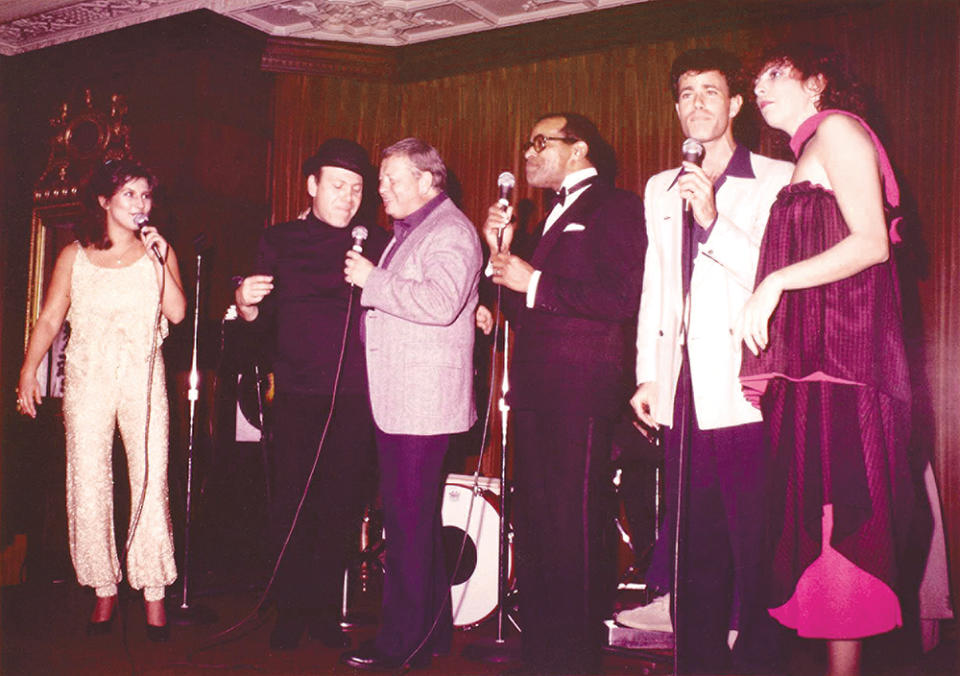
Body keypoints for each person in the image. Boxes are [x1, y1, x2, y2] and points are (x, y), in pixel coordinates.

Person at [739, 44, 913, 676]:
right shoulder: (804, 153)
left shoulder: (837, 128)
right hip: (817, 363)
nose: (760, 89)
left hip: (843, 360)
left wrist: (774, 283)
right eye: (755, 82)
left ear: (818, 83)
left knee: (843, 516)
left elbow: (871, 244)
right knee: (822, 521)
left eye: (774, 76)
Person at [621, 48, 794, 674]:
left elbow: (778, 279)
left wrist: (714, 219)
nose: (697, 104)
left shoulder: (778, 179)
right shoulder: (658, 187)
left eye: (710, 92)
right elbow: (657, 283)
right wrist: (649, 371)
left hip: (744, 386)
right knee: (692, 545)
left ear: (736, 105)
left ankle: (759, 660)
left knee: (755, 542)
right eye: (686, 93)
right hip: (682, 386)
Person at [481, 113, 645, 674]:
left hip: (581, 391)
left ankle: (574, 658)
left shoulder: (616, 207)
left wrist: (537, 282)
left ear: (578, 150)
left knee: (573, 526)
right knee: (535, 524)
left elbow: (623, 296)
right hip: (534, 393)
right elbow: (515, 308)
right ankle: (542, 651)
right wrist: (498, 253)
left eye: (540, 142)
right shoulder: (547, 217)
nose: (528, 152)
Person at [17, 159, 186, 641]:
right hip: (89, 376)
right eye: (129, 194)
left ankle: (154, 590)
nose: (139, 204)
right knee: (88, 479)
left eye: (145, 195)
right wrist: (28, 370)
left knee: (150, 478)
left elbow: (175, 312)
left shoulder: (160, 250)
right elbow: (50, 318)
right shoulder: (75, 255)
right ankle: (102, 586)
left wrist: (158, 258)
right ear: (103, 201)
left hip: (143, 375)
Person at [233, 139, 388, 651]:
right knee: (291, 506)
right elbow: (260, 329)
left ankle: (323, 610)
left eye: (357, 188)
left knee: (339, 506)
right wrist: (248, 307)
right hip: (297, 393)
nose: (348, 198)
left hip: (355, 396)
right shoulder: (279, 240)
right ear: (312, 185)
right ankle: (289, 609)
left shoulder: (378, 244)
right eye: (337, 186)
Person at [341, 137, 482, 671]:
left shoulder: (451, 231)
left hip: (422, 405)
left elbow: (440, 303)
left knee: (406, 526)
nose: (381, 191)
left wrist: (372, 280)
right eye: (380, 181)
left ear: (427, 181)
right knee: (415, 523)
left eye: (391, 180)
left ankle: (402, 643)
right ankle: (434, 632)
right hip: (405, 400)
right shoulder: (420, 229)